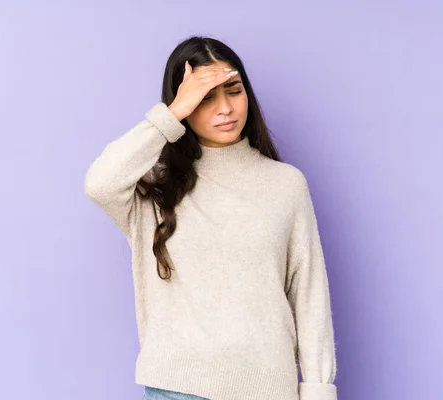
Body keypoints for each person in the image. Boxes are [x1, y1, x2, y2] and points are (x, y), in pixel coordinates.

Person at [84, 35, 338, 400]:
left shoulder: (286, 185)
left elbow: (309, 296)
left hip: (268, 390)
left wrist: (318, 391)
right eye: (205, 98)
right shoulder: (154, 186)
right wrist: (171, 114)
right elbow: (99, 183)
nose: (225, 108)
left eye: (233, 90)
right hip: (178, 389)